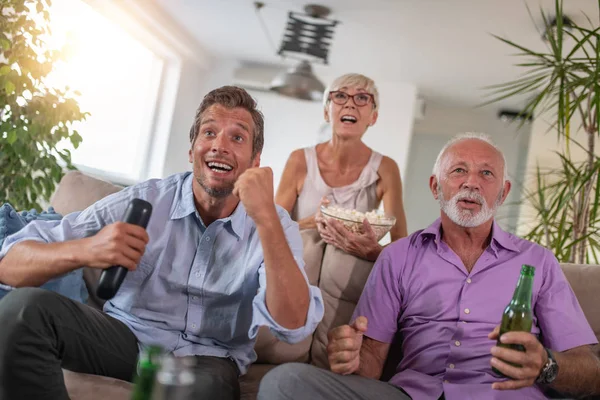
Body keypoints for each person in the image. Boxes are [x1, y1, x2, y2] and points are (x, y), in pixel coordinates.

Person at [0, 86, 324, 400]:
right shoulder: (147, 198)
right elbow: (9, 264)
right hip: (124, 337)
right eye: (209, 133)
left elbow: (293, 327)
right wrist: (86, 249)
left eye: (237, 137)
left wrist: (265, 217)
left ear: (255, 161)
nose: (219, 146)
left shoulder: (276, 224)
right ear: (192, 150)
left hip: (210, 359)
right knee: (22, 311)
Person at [258, 133, 600, 400]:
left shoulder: (537, 262)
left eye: (486, 173)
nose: (471, 182)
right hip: (411, 395)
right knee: (285, 382)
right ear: (436, 186)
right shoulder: (398, 256)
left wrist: (546, 365)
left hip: (503, 395)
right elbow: (371, 364)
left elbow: (590, 372)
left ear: (503, 192)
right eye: (458, 171)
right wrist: (349, 358)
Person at [275, 73, 408, 261]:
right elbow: (271, 228)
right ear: (326, 112)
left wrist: (372, 251)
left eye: (362, 98)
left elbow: (400, 243)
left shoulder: (386, 168)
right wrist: (311, 222)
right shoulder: (299, 160)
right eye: (340, 96)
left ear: (373, 117)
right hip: (294, 281)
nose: (350, 104)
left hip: (353, 287)